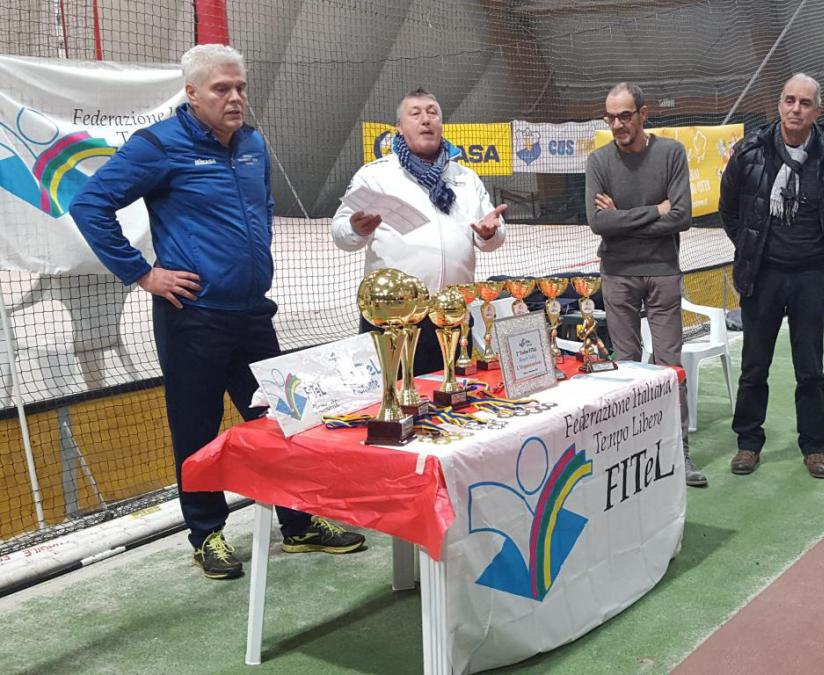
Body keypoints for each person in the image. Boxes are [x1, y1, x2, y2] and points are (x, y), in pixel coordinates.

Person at [71, 44, 365, 580]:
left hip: (253, 314)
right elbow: (89, 205)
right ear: (191, 93)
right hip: (193, 316)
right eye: (222, 89)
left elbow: (262, 208)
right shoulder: (158, 145)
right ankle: (206, 535)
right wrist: (143, 274)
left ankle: (298, 524)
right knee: (197, 429)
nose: (236, 98)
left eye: (241, 87)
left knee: (281, 420)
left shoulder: (252, 144)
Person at [718, 73, 824, 479]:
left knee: (810, 368)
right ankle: (748, 444)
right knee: (754, 365)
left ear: (818, 111)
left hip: (813, 276)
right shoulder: (750, 152)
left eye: (805, 103)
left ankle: (814, 448)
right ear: (779, 105)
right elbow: (730, 210)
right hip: (763, 276)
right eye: (789, 100)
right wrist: (751, 248)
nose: (796, 109)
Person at [332, 88, 506, 375]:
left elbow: (491, 238)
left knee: (454, 395)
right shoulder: (375, 175)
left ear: (441, 123)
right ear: (399, 128)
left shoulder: (466, 178)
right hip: (393, 316)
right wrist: (355, 229)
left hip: (452, 313)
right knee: (397, 395)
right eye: (415, 114)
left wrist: (489, 234)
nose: (426, 119)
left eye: (432, 113)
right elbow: (340, 234)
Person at [585, 82, 707, 488]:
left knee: (670, 366)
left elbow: (682, 216)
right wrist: (655, 210)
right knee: (626, 365)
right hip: (617, 273)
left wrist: (623, 218)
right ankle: (629, 453)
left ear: (643, 114)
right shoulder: (599, 161)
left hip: (662, 272)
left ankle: (678, 452)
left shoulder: (671, 153)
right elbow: (598, 223)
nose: (617, 124)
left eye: (624, 116)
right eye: (610, 117)